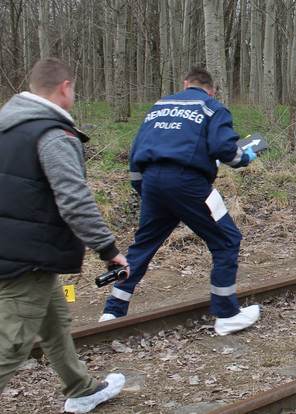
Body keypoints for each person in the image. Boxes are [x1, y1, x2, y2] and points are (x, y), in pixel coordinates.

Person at [0, 58, 128, 413]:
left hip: (14, 248)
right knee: (12, 343)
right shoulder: (52, 133)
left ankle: (81, 387)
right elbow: (74, 199)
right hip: (26, 256)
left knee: (55, 319)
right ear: (65, 88)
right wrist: (107, 248)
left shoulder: (6, 126)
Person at [100, 68, 260, 336]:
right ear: (211, 89)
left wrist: (145, 190)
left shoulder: (159, 107)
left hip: (151, 182)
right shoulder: (212, 107)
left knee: (142, 246)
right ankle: (227, 314)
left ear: (185, 85)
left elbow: (135, 151)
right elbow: (225, 150)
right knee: (226, 240)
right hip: (189, 184)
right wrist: (245, 157)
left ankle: (112, 312)